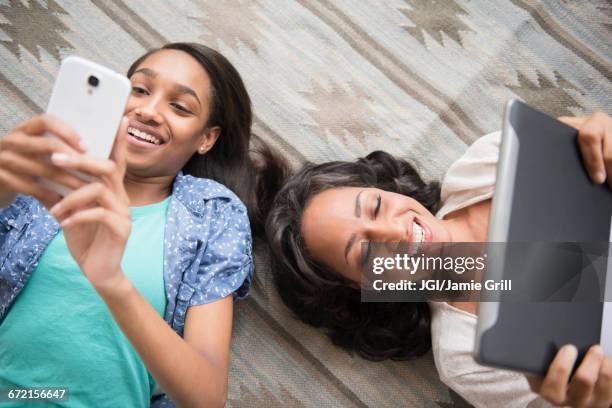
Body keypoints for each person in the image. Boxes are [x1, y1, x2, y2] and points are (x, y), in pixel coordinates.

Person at [266, 112, 612, 407]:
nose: (395, 232)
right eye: (366, 251)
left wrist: (600, 134)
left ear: (387, 189)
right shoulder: (466, 355)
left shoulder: (485, 164)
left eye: (376, 206)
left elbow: (596, 148)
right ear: (361, 286)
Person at [0, 42, 270, 407]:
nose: (148, 110)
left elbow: (206, 399)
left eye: (180, 106)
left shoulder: (211, 215)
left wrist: (112, 281)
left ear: (207, 138)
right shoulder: (47, 169)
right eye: (139, 90)